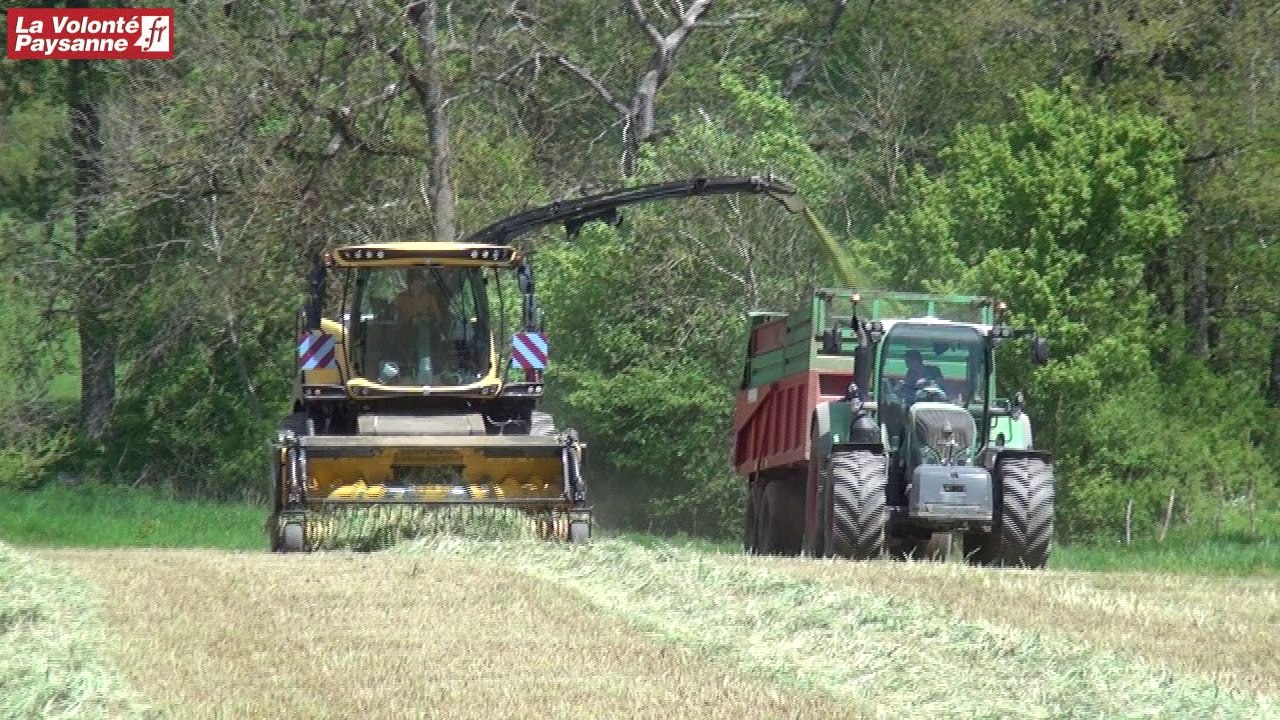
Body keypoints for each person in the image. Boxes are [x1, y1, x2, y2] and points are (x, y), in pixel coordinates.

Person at [393, 268, 451, 381]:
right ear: (409, 284)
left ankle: (426, 367)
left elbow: (438, 316)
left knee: (424, 331)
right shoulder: (401, 298)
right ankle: (410, 368)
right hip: (406, 329)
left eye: (421, 282)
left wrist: (430, 319)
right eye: (415, 283)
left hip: (427, 328)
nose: (418, 286)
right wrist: (411, 319)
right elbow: (396, 316)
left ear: (424, 283)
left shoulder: (429, 297)